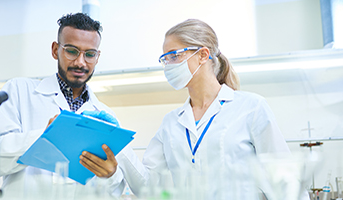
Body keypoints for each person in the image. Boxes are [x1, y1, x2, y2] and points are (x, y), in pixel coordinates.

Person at [89, 19, 309, 199]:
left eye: (175, 56)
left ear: (203, 55)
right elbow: (149, 189)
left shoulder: (250, 108)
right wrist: (119, 142)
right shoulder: (171, 123)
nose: (169, 65)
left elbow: (286, 183)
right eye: (165, 59)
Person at [0, 13, 144, 199]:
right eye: (71, 51)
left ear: (97, 57)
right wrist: (43, 137)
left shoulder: (105, 115)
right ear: (55, 50)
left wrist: (109, 175)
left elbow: (113, 192)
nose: (80, 62)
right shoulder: (19, 91)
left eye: (90, 54)